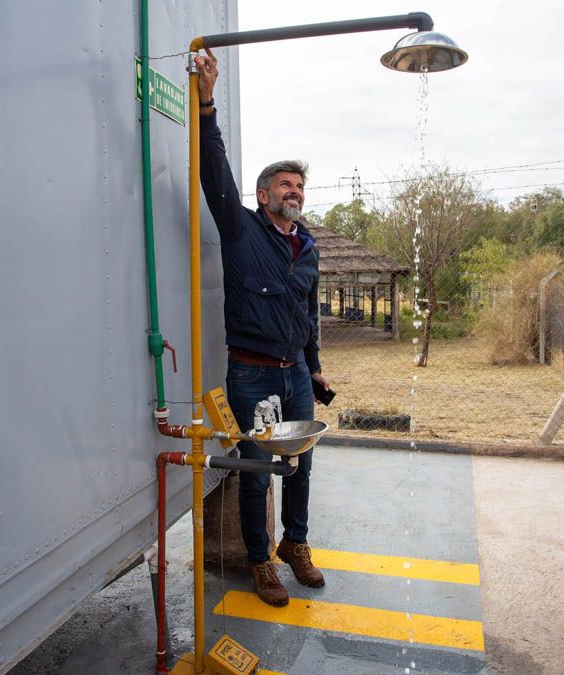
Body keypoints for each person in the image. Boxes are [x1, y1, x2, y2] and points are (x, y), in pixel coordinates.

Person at [193, 48, 330, 607]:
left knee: (300, 462)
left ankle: (294, 546)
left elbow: (308, 314)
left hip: (295, 373)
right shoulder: (241, 230)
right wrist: (207, 105)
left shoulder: (309, 248)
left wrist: (315, 369)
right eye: (284, 185)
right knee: (254, 471)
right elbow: (212, 169)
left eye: (299, 186)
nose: (294, 191)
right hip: (249, 375)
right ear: (262, 195)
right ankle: (259, 560)